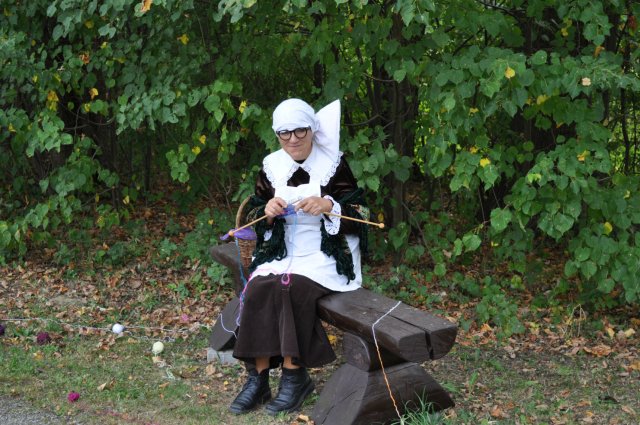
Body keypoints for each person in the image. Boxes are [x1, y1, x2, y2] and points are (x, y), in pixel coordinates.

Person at [229, 98, 369, 416]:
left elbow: (362, 213)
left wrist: (329, 206)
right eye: (284, 133)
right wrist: (267, 211)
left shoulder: (334, 164)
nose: (292, 139)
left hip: (324, 252)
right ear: (277, 134)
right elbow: (252, 216)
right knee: (259, 287)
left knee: (290, 287)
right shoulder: (271, 166)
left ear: (312, 129)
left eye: (300, 131)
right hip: (284, 249)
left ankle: (295, 377)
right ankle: (258, 379)